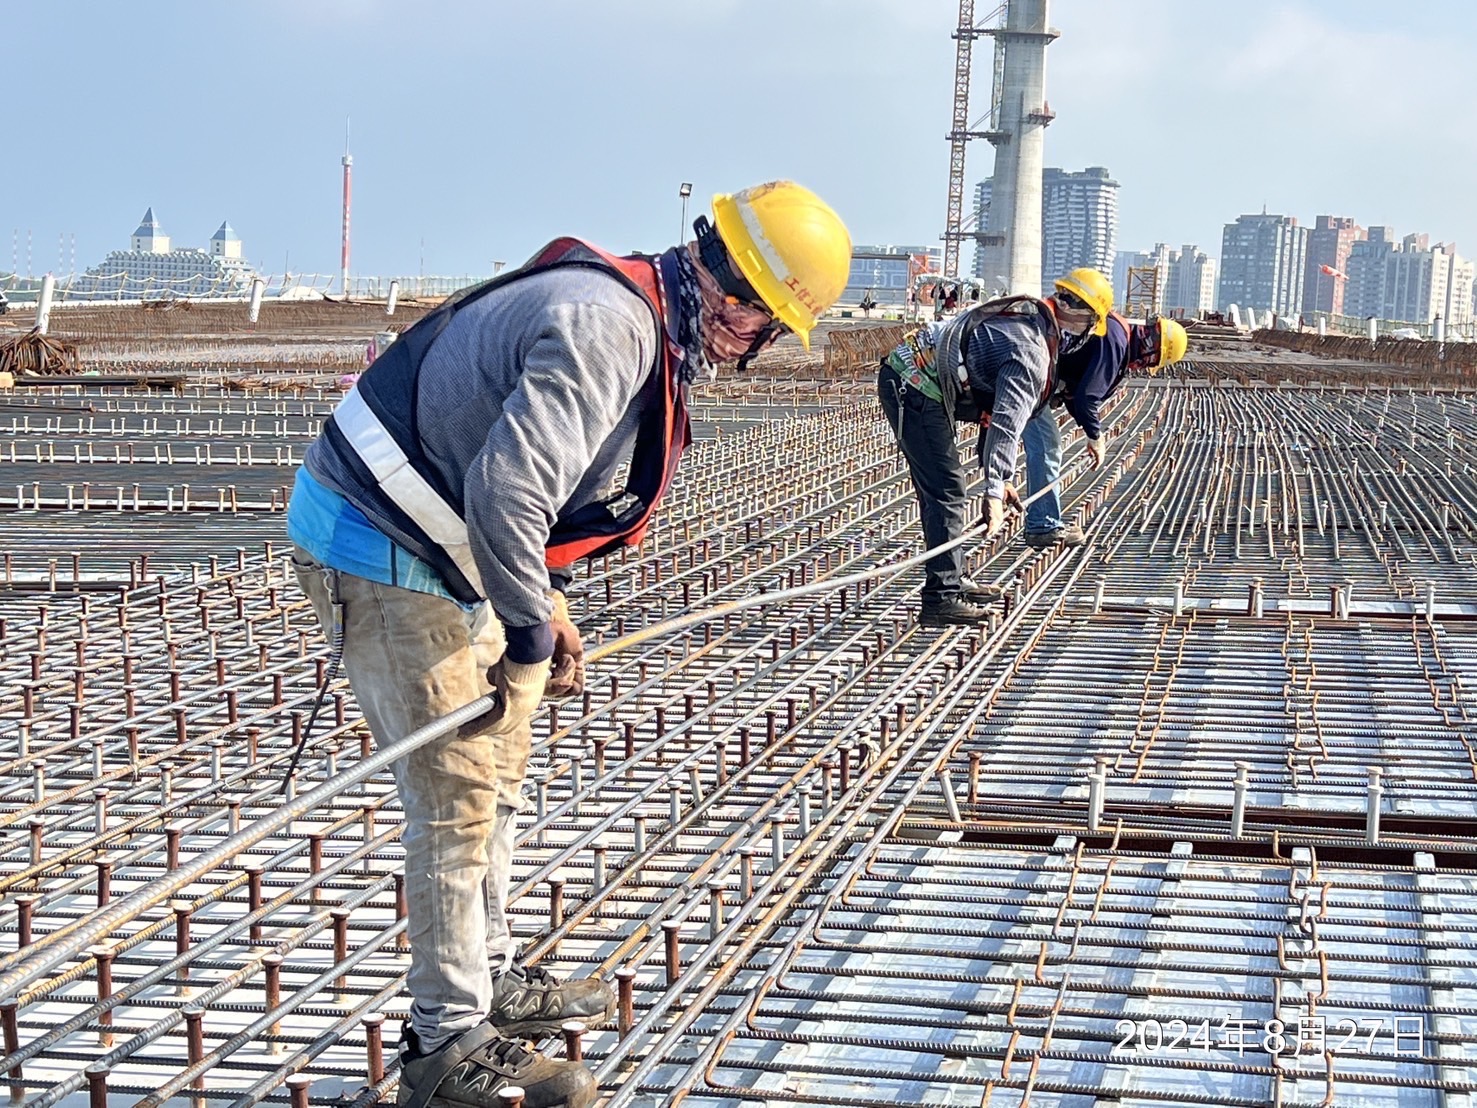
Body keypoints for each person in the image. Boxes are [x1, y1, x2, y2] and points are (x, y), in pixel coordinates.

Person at [286, 180, 851, 1108]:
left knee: (497, 770)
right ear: (735, 298)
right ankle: (445, 1045)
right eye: (768, 329)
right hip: (379, 538)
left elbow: (512, 477)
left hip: (442, 535)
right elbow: (507, 491)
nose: (760, 349)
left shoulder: (643, 321)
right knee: (457, 794)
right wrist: (526, 633)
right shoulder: (611, 330)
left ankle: (487, 976)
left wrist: (538, 604)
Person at [878, 267, 1114, 626]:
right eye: (1089, 325)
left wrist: (1000, 480)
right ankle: (940, 599)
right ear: (1080, 316)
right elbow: (1007, 420)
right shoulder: (1032, 351)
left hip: (918, 378)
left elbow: (991, 413)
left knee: (943, 491)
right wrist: (993, 489)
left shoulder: (1033, 319)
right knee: (947, 492)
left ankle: (951, 581)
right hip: (913, 383)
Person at [1021, 312, 1188, 546]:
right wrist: (1095, 437)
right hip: (1027, 374)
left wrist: (1089, 430)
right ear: (1152, 346)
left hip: (1033, 372)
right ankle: (1042, 526)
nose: (1142, 367)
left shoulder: (1115, 333)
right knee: (1048, 447)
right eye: (1150, 361)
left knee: (1045, 444)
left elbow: (1076, 391)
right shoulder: (1116, 340)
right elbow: (1087, 398)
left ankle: (1039, 519)